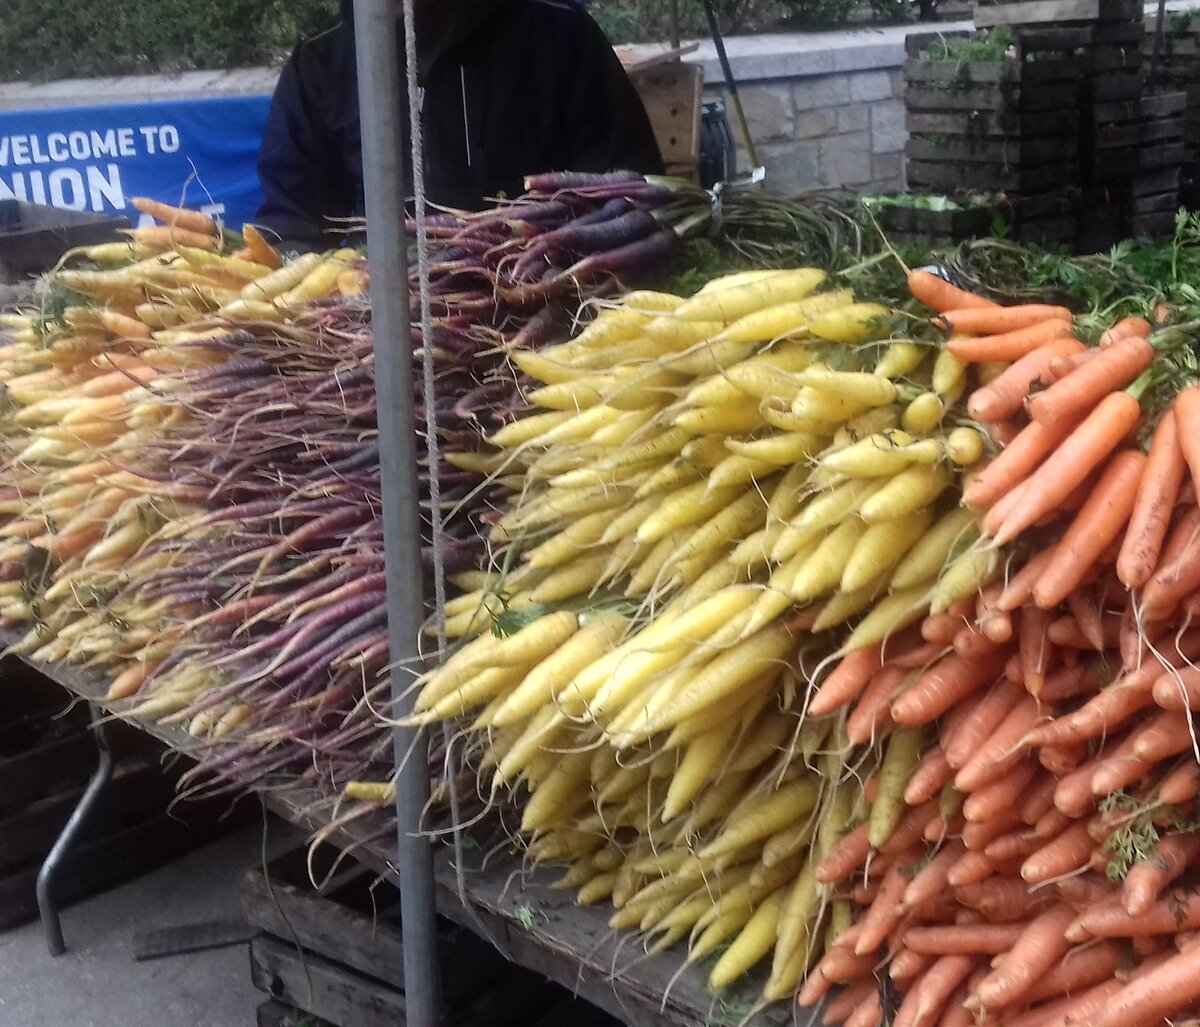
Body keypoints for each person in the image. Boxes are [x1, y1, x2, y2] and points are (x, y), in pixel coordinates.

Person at [255, 0, 665, 252]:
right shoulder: (323, 63)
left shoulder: (561, 36)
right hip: (375, 336)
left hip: (544, 311)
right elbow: (292, 222)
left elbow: (628, 193)